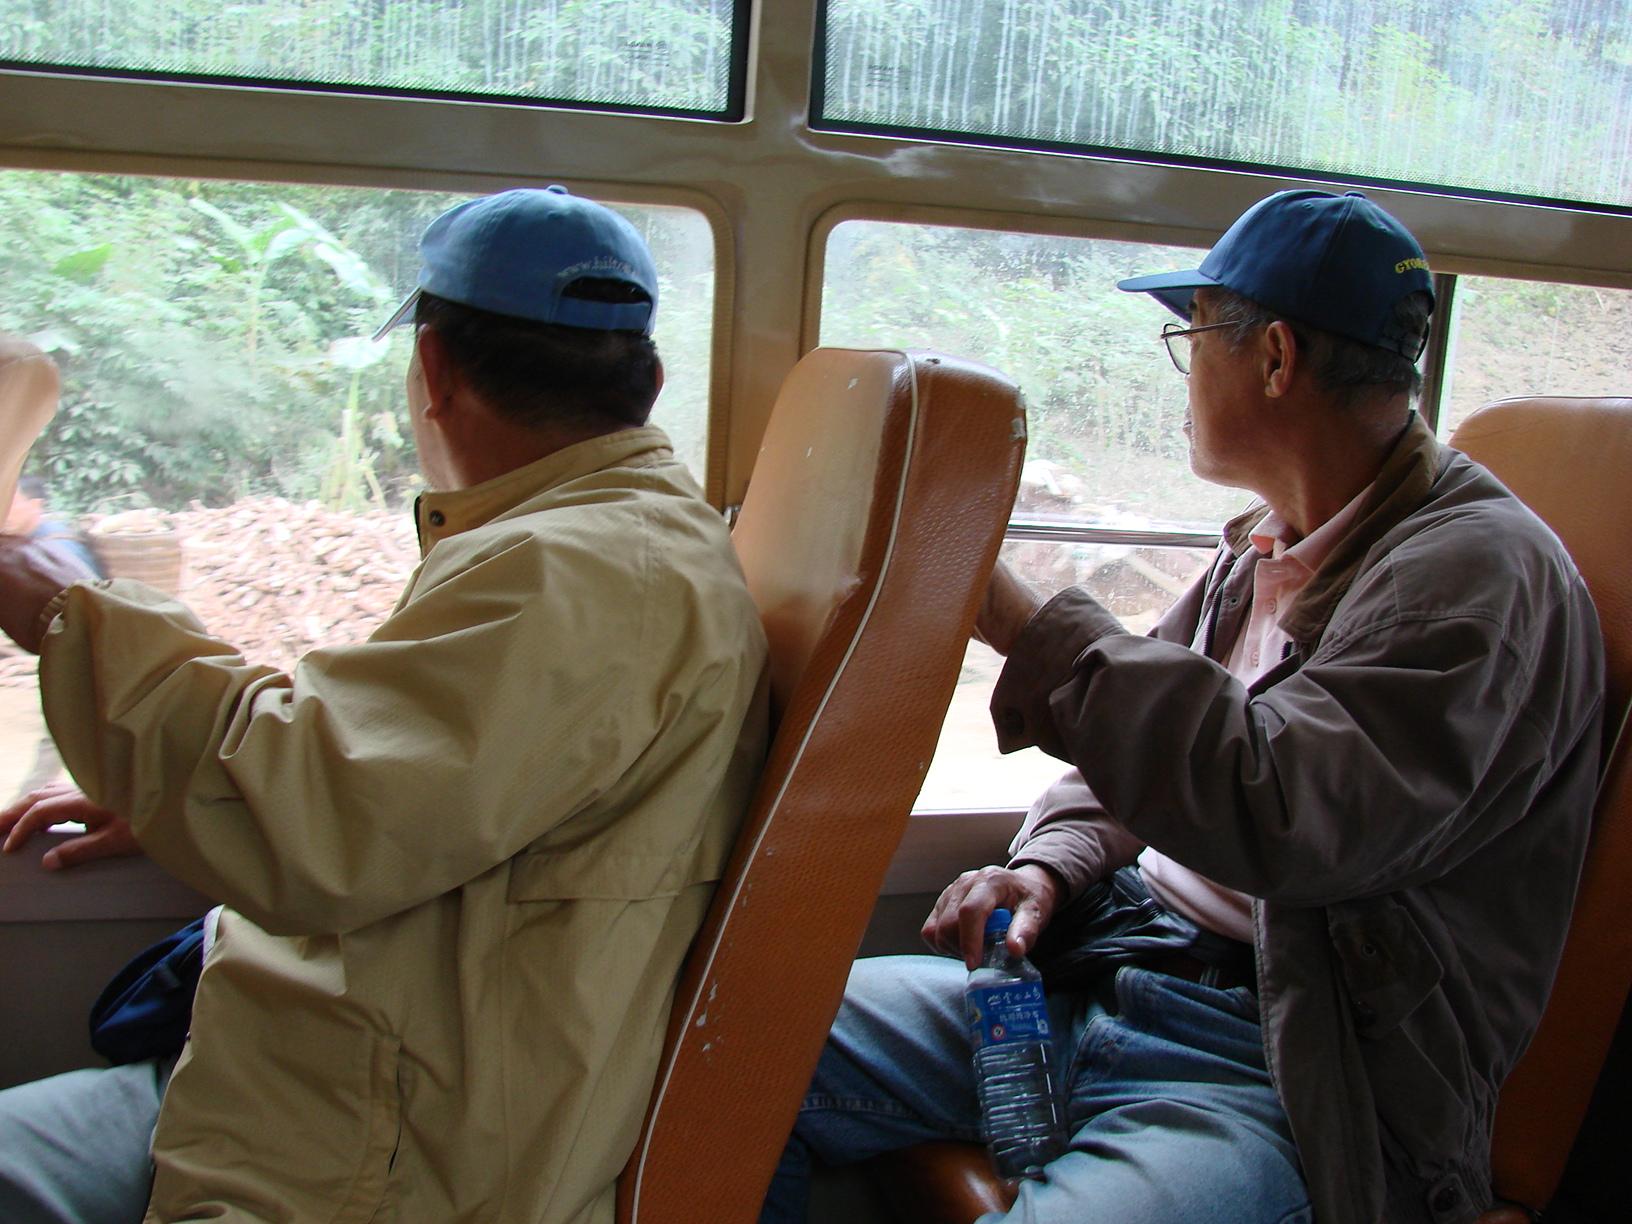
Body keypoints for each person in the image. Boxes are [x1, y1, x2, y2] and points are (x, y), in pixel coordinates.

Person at [761, 190, 1605, 1224]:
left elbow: (1278, 807)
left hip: (1279, 1061)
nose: (1183, 371)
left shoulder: (1476, 577)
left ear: (1276, 357)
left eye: (1190, 336)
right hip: (1110, 967)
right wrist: (1047, 867)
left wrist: (1027, 623)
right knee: (735, 1049)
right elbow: (1143, 759)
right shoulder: (1270, 539)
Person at [0, 185, 769, 1224]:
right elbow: (407, 789)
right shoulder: (604, 543)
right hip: (329, 1073)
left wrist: (64, 614)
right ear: (651, 382)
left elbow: (309, 819)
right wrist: (181, 796)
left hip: (369, 1160)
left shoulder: (583, 573)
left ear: (434, 370)